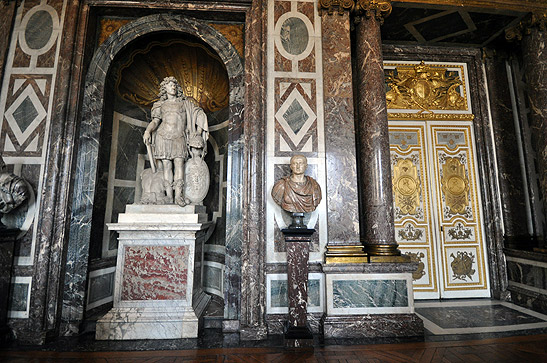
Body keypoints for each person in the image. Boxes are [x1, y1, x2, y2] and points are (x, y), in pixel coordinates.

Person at [143, 76, 208, 206]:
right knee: (167, 166)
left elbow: (199, 114)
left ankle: (178, 196)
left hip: (179, 137)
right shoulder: (160, 105)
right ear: (164, 88)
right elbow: (155, 122)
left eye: (174, 85)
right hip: (163, 136)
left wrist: (198, 133)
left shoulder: (184, 103)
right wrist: (147, 131)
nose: (172, 87)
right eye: (170, 85)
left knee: (179, 165)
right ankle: (169, 197)